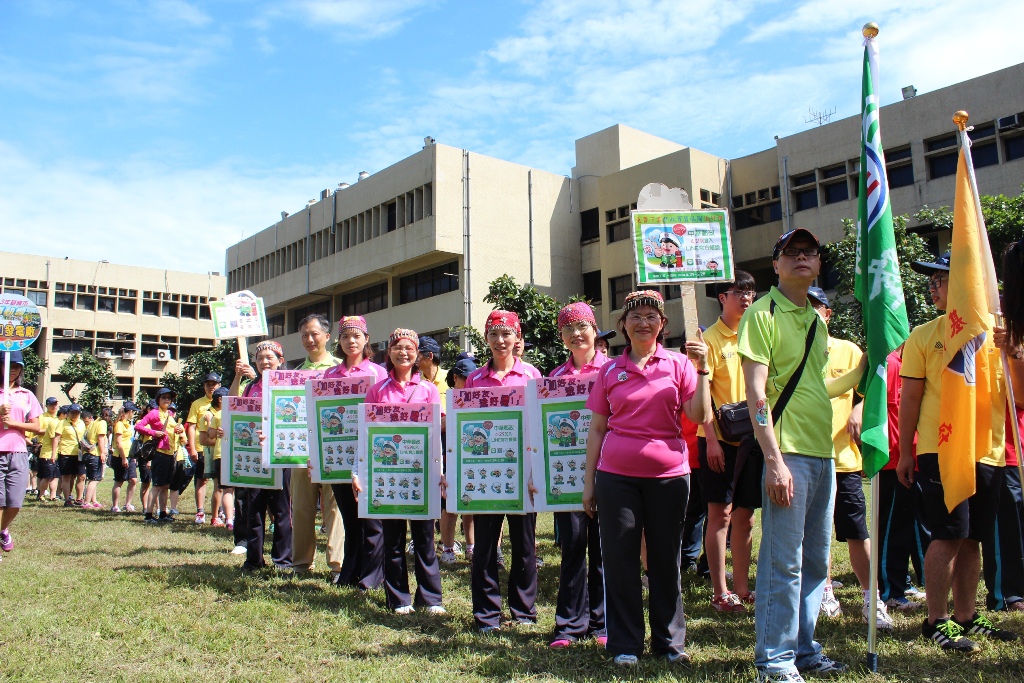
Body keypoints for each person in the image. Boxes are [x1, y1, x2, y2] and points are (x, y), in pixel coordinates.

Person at [739, 229, 867, 681]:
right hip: (787, 452)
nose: (801, 259)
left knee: (816, 559)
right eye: (790, 253)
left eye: (809, 253)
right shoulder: (762, 313)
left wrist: (863, 368)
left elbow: (816, 387)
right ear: (775, 264)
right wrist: (773, 459)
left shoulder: (816, 320)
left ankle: (805, 648)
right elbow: (756, 392)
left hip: (824, 452)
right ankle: (774, 662)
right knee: (783, 559)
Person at [582, 290, 709, 667]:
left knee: (665, 559)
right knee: (620, 560)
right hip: (616, 477)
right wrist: (589, 483)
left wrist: (702, 370)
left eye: (651, 316)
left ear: (662, 325)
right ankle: (625, 644)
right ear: (623, 325)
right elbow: (597, 429)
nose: (643, 322)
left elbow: (699, 415)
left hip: (669, 476)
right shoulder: (608, 370)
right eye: (634, 316)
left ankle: (670, 643)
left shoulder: (680, 364)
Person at [899, 252, 1018, 651]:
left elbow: (1019, 396)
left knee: (974, 538)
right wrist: (905, 453)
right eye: (930, 281)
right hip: (941, 448)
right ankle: (936, 620)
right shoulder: (923, 335)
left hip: (988, 450)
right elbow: (911, 398)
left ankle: (967, 617)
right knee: (949, 534)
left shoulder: (1000, 331)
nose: (932, 288)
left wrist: (1014, 351)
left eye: (940, 279)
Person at [807, 287, 894, 629]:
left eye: (817, 307)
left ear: (828, 313)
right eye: (804, 307)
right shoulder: (788, 351)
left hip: (843, 458)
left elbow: (869, 389)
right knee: (815, 533)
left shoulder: (849, 350)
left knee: (857, 530)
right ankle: (825, 589)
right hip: (806, 456)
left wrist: (858, 408)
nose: (811, 313)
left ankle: (872, 598)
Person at [355, 328, 445, 614]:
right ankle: (399, 598)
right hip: (387, 475)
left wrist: (440, 471)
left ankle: (430, 598)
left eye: (409, 348)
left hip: (422, 474)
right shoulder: (377, 390)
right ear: (389, 352)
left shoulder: (429, 389)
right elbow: (364, 435)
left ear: (418, 353)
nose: (403, 352)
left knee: (425, 539)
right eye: (397, 347)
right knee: (392, 539)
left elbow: (436, 437)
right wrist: (357, 472)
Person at [465, 310, 543, 633]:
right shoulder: (474, 379)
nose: (500, 341)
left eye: (506, 334)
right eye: (493, 334)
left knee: (524, 543)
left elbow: (539, 425)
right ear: (486, 339)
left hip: (524, 471)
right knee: (484, 545)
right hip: (486, 473)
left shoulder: (532, 376)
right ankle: (486, 614)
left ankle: (523, 610)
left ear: (517, 338)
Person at [547, 302, 609, 649]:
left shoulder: (612, 370)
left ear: (594, 329)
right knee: (572, 548)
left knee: (604, 549)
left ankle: (602, 623)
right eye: (568, 329)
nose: (576, 334)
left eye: (582, 326)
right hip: (566, 477)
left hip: (609, 472)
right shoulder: (554, 379)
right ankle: (569, 625)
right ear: (562, 336)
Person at [699, 272, 761, 613]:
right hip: (718, 441)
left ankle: (742, 587)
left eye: (750, 292)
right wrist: (710, 440)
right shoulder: (708, 340)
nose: (746, 298)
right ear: (723, 297)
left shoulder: (757, 335)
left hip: (752, 440)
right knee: (719, 515)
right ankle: (720, 591)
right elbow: (701, 396)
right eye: (739, 292)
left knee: (746, 517)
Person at [323, 316, 386, 587]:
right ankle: (350, 572)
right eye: (346, 337)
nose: (351, 341)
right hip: (340, 456)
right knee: (349, 518)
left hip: (371, 457)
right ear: (339, 341)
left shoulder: (379, 373)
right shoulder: (329, 375)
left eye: (357, 336)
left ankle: (373, 575)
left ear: (366, 339)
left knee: (372, 520)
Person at [875, 345, 929, 611]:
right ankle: (890, 590)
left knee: (916, 524)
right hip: (895, 459)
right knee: (892, 528)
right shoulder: (891, 363)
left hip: (917, 455)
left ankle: (915, 581)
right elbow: (875, 407)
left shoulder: (916, 362)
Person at [291, 313, 345, 580]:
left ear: (327, 336)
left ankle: (338, 564)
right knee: (301, 506)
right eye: (304, 335)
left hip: (331, 449)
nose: (309, 339)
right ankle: (301, 562)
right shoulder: (292, 375)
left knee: (334, 507)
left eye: (314, 334)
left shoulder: (339, 370)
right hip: (300, 451)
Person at [234, 340, 293, 574]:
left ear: (281, 360)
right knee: (254, 509)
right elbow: (235, 407)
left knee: (282, 510)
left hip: (282, 455)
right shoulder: (251, 387)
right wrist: (239, 377)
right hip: (254, 456)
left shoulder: (289, 385)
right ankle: (253, 559)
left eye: (270, 357)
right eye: (260, 358)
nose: (265, 362)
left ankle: (283, 560)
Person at [0, 351, 44, 558]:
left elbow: (38, 427)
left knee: (15, 502)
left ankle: (3, 529)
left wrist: (14, 424)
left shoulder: (26, 394)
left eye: (17, 366)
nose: (13, 370)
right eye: (9, 365)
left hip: (18, 451)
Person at [440, 358, 477, 563]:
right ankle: (447, 548)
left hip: (471, 457)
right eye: (466, 378)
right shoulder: (447, 398)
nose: (471, 382)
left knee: (469, 503)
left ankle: (471, 546)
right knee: (449, 506)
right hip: (449, 456)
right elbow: (440, 424)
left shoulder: (478, 396)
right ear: (456, 378)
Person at [135, 388, 185, 524]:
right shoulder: (154, 413)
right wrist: (153, 432)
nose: (167, 400)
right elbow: (138, 426)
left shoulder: (169, 413)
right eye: (164, 398)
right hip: (160, 453)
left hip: (171, 454)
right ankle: (148, 515)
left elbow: (172, 430)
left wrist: (178, 430)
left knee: (166, 485)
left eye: (169, 398)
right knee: (157, 485)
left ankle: (163, 513)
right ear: (158, 399)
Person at [188, 372, 223, 525]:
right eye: (208, 384)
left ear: (219, 386)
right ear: (204, 386)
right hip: (202, 446)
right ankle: (200, 511)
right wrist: (192, 449)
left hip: (219, 447)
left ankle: (220, 511)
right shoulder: (197, 404)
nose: (211, 387)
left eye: (214, 384)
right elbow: (191, 426)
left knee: (220, 481)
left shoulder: (225, 401)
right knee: (202, 480)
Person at [199, 388, 232, 529]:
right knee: (224, 488)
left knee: (221, 488)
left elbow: (210, 435)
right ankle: (220, 517)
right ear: (222, 399)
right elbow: (207, 437)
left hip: (219, 454)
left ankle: (222, 517)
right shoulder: (217, 414)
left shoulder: (218, 414)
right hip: (226, 454)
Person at [53, 404, 85, 507]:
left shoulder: (81, 423)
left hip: (79, 453)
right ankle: (67, 499)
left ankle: (79, 499)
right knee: (66, 477)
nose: (75, 415)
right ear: (68, 413)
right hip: (65, 453)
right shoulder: (62, 423)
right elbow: (56, 439)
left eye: (77, 413)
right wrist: (53, 454)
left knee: (81, 476)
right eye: (73, 412)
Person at [110, 401, 139, 513]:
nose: (133, 414)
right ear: (129, 411)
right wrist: (123, 458)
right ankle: (115, 506)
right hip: (120, 456)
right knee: (119, 481)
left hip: (130, 455)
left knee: (133, 480)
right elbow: (118, 443)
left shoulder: (128, 423)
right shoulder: (119, 424)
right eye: (133, 412)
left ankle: (128, 504)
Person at [80, 409, 109, 509]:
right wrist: (102, 453)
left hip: (87, 454)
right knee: (95, 479)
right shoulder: (102, 423)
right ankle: (86, 502)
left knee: (92, 478)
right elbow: (100, 439)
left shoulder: (93, 423)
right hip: (94, 454)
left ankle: (94, 501)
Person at [35, 397, 61, 502]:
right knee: (42, 473)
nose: (54, 407)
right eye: (51, 405)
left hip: (56, 448)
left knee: (54, 474)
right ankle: (39, 492)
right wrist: (49, 430)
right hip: (43, 446)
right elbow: (37, 430)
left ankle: (53, 495)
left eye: (55, 404)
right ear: (47, 406)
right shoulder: (42, 417)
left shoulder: (59, 417)